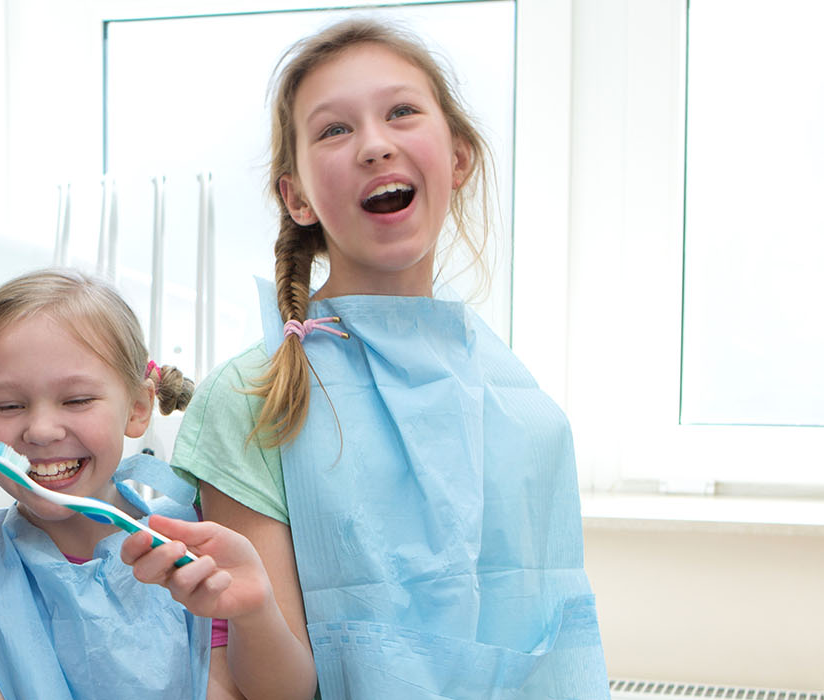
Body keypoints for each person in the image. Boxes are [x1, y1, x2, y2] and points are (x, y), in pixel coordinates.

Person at [171, 18, 609, 698]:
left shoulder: (523, 408)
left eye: (402, 112)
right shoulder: (257, 396)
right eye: (334, 130)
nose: (375, 144)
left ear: (457, 157)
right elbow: (272, 688)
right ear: (298, 196)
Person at [0, 269, 313, 700]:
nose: (41, 430)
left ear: (137, 409)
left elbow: (287, 693)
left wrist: (254, 612)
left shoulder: (196, 548)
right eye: (8, 405)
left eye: (77, 400)